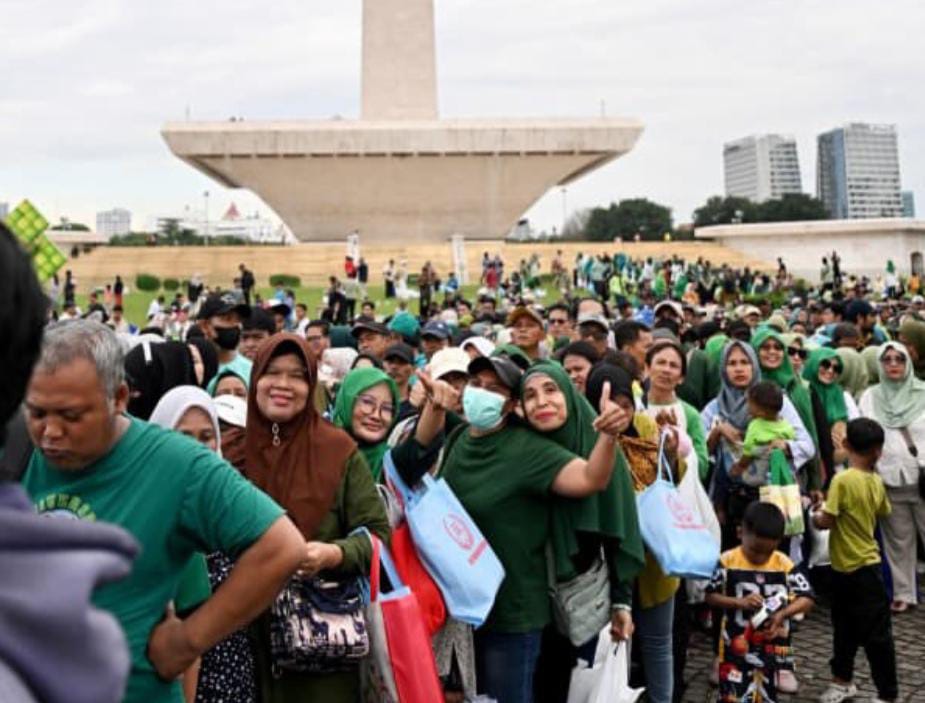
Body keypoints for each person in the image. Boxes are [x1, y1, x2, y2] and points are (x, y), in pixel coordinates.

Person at [21, 320, 306, 703]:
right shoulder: (21, 454)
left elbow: (281, 547)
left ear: (119, 398)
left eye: (70, 416)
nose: (50, 432)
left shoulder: (178, 464)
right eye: (37, 413)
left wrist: (187, 641)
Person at [392, 354, 626, 703]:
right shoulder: (460, 437)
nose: (482, 393)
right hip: (458, 610)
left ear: (512, 404)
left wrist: (607, 437)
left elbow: (591, 479)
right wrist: (434, 407)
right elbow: (407, 462)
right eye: (477, 385)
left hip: (512, 615)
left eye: (495, 389)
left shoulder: (529, 450)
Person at [242, 334, 390, 702]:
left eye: (297, 376)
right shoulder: (231, 451)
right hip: (243, 642)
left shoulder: (337, 451)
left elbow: (377, 536)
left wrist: (332, 554)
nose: (283, 384)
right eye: (272, 372)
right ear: (255, 378)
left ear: (312, 386)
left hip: (318, 644)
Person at [519, 362, 645, 703]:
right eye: (529, 395)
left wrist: (622, 601)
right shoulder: (517, 450)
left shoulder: (599, 445)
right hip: (526, 603)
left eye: (551, 390)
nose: (542, 402)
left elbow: (619, 529)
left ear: (569, 395)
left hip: (583, 601)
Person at [149, 387, 258, 703]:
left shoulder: (234, 504)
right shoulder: (150, 511)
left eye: (206, 436)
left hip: (232, 677)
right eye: (183, 435)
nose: (197, 447)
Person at [585, 362, 681, 703]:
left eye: (626, 405)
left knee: (658, 643)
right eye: (611, 406)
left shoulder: (646, 428)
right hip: (605, 565)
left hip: (654, 558)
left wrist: (671, 452)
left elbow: (670, 486)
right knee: (613, 646)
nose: (619, 414)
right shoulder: (585, 438)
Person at [814, 418, 897, 703]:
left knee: (853, 630)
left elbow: (826, 520)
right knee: (863, 630)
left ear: (846, 444)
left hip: (849, 568)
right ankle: (848, 682)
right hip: (867, 566)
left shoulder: (843, 479)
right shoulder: (876, 481)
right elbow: (883, 511)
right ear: (878, 451)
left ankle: (879, 692)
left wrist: (815, 516)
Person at [705, 502, 814, 702]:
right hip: (734, 644)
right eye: (755, 550)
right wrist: (739, 602)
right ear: (740, 533)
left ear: (779, 542)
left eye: (768, 552)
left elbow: (807, 598)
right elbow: (709, 596)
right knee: (732, 694)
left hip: (772, 646)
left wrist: (783, 614)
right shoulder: (727, 561)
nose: (761, 557)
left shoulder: (784, 564)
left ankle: (782, 675)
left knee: (766, 694)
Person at [858, 342, 925, 614]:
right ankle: (904, 593)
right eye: (887, 359)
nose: (893, 364)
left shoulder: (923, 392)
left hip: (922, 478)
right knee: (898, 540)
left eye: (899, 359)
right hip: (888, 478)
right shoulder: (870, 397)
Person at [331, 367, 400, 482]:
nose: (376, 416)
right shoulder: (316, 451)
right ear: (347, 402)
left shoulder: (392, 466)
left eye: (387, 408)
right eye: (367, 402)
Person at [731, 382, 796, 484]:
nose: (747, 407)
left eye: (749, 404)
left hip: (761, 476)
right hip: (785, 475)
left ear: (760, 413)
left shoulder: (755, 426)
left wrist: (740, 466)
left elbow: (748, 451)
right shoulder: (786, 425)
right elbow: (792, 440)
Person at [196, 293, 253, 393]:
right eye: (227, 319)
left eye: (238, 319)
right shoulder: (193, 369)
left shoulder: (251, 370)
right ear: (204, 326)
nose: (235, 325)